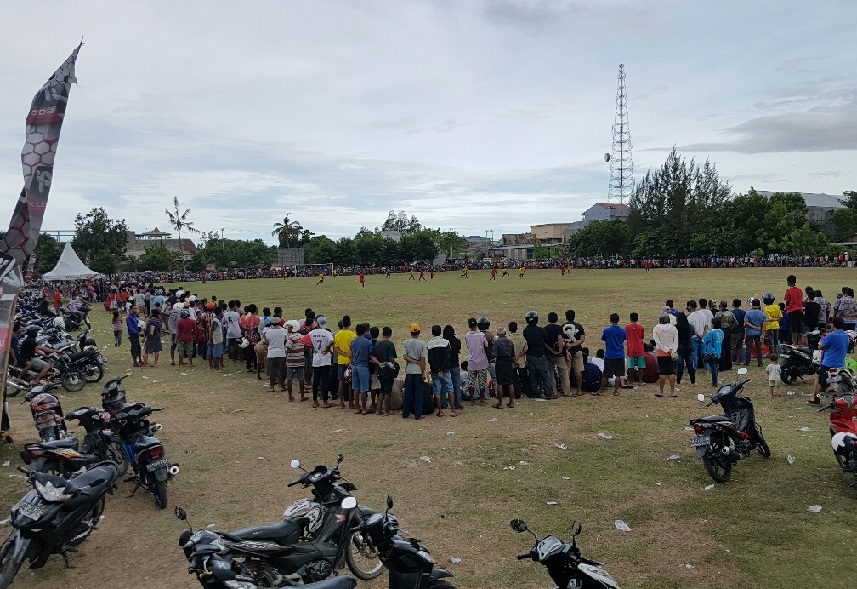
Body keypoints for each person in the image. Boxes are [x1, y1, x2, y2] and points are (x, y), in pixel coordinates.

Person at [809, 317, 850, 404]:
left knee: (822, 383)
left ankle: (816, 399)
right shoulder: (846, 335)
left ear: (833, 325)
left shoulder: (831, 335)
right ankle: (819, 396)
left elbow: (820, 347)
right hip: (841, 363)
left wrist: (822, 345)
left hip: (828, 362)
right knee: (820, 376)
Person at [522, 311, 553, 399]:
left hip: (530, 356)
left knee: (532, 376)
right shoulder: (540, 330)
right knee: (545, 376)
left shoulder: (526, 331)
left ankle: (535, 393)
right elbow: (546, 339)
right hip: (540, 355)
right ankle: (547, 393)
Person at [426, 325, 455, 416]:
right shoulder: (446, 342)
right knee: (450, 388)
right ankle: (452, 410)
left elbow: (430, 359)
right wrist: (442, 370)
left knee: (437, 390)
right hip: (445, 369)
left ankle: (440, 411)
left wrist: (437, 370)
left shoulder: (429, 344)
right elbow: (447, 357)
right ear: (440, 332)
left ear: (432, 333)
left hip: (435, 370)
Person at [402, 323, 428, 420]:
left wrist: (413, 361)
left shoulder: (406, 343)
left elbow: (405, 357)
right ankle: (418, 414)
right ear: (419, 332)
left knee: (408, 393)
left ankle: (405, 413)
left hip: (409, 371)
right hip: (417, 371)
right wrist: (423, 372)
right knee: (418, 394)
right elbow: (422, 360)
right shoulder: (422, 343)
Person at [309, 316, 335, 408]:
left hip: (316, 357)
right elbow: (332, 340)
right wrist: (327, 348)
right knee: (324, 380)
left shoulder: (312, 333)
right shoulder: (327, 332)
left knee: (316, 379)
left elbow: (306, 341)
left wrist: (313, 348)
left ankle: (315, 400)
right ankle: (324, 400)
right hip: (325, 357)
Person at [372, 327, 397, 416]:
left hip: (379, 370)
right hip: (387, 370)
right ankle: (387, 410)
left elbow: (373, 357)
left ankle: (379, 410)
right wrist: (394, 363)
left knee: (381, 391)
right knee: (387, 391)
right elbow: (391, 358)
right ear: (390, 334)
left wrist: (379, 363)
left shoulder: (377, 344)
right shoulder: (390, 344)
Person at [544, 312, 570, 396]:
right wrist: (560, 350)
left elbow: (543, 342)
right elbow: (561, 338)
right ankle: (566, 391)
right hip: (559, 355)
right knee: (563, 372)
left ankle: (554, 392)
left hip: (548, 353)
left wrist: (550, 350)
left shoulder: (545, 329)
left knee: (550, 373)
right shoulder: (560, 328)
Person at [464, 317, 490, 404]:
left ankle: (472, 400)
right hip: (482, 361)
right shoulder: (481, 335)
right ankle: (482, 400)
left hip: (472, 361)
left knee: (471, 381)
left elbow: (468, 346)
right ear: (476, 325)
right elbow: (486, 345)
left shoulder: (467, 336)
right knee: (482, 381)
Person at [652, 313, 678, 397]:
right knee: (671, 372)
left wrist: (665, 349)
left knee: (662, 372)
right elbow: (676, 341)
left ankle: (661, 391)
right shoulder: (673, 328)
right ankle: (672, 391)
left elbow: (657, 342)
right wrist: (672, 350)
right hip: (671, 352)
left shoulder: (656, 328)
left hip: (661, 352)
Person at [600, 313, 626, 396]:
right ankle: (615, 391)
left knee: (606, 374)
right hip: (620, 354)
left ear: (610, 320)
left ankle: (601, 390)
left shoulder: (607, 330)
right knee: (618, 374)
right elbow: (624, 338)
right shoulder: (622, 331)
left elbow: (603, 338)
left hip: (610, 355)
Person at [334, 315, 356, 409]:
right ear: (350, 324)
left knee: (341, 382)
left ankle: (341, 402)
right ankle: (351, 402)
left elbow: (336, 348)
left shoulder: (338, 334)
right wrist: (348, 355)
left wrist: (343, 354)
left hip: (341, 360)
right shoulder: (352, 334)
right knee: (351, 383)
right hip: (350, 361)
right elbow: (354, 349)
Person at [350, 323, 372, 414]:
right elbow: (370, 354)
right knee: (363, 388)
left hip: (355, 365)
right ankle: (364, 408)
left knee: (356, 387)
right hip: (363, 366)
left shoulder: (353, 342)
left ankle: (357, 407)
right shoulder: (368, 342)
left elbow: (351, 354)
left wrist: (351, 363)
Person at [562, 310, 586, 396]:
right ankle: (579, 390)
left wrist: (568, 346)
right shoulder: (579, 326)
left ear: (566, 316)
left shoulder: (562, 327)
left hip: (566, 351)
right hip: (577, 350)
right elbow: (582, 339)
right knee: (578, 370)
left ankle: (566, 390)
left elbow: (561, 339)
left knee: (566, 371)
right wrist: (573, 345)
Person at [492, 327, 515, 408]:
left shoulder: (496, 342)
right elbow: (513, 354)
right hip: (508, 362)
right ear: (505, 333)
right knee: (510, 382)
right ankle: (511, 402)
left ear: (497, 334)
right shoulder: (510, 342)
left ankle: (500, 403)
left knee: (500, 383)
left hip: (500, 362)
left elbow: (494, 354)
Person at [285, 320, 307, 401]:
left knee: (289, 378)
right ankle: (302, 396)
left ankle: (290, 396)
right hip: (300, 360)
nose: (288, 329)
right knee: (301, 378)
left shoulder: (290, 337)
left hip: (291, 360)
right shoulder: (302, 337)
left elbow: (288, 347)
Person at [264, 317, 287, 394]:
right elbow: (285, 341)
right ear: (280, 322)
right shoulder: (284, 331)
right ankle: (282, 385)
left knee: (272, 371)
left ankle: (272, 386)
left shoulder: (268, 331)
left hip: (271, 353)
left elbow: (267, 342)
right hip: (281, 352)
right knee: (282, 371)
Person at [443, 325, 464, 410]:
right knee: (456, 385)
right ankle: (458, 404)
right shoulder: (457, 341)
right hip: (455, 364)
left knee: (444, 385)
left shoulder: (444, 342)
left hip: (446, 366)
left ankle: (444, 403)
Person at [701, 317, 725, 386]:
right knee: (716, 366)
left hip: (711, 351)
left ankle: (714, 382)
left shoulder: (711, 333)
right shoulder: (721, 332)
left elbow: (703, 340)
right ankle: (716, 380)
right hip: (718, 351)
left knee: (713, 367)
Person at [675, 311, 696, 387]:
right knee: (690, 365)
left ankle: (678, 381)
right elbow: (693, 333)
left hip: (680, 348)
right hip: (689, 347)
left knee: (680, 366)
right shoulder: (691, 326)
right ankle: (692, 382)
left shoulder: (676, 327)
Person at [508, 321, 528, 398]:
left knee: (514, 378)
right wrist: (519, 356)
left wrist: (514, 358)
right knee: (524, 377)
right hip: (521, 361)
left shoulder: (508, 339)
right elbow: (526, 349)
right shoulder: (522, 338)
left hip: (513, 361)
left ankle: (517, 393)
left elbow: (508, 351)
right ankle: (527, 392)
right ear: (517, 328)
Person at [744, 299, 766, 368]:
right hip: (758, 333)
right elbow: (764, 323)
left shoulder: (748, 312)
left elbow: (746, 322)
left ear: (752, 304)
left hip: (749, 333)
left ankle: (747, 362)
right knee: (759, 348)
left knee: (748, 348)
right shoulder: (761, 313)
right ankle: (760, 362)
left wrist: (754, 327)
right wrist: (762, 334)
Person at [714, 301, 736, 371]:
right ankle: (729, 365)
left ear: (720, 305)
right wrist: (731, 328)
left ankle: (722, 366)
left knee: (721, 349)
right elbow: (736, 323)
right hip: (728, 330)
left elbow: (715, 322)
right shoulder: (730, 313)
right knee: (727, 348)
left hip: (720, 331)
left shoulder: (718, 314)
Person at [625, 312, 645, 385]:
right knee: (641, 365)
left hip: (631, 348)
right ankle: (640, 380)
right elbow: (642, 336)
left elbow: (626, 336)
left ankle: (631, 380)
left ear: (630, 318)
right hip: (639, 347)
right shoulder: (641, 327)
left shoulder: (627, 327)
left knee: (631, 365)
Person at [784, 275, 804, 345]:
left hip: (792, 310)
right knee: (799, 326)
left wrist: (786, 308)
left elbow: (787, 300)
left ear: (789, 282)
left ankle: (794, 342)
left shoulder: (788, 291)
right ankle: (800, 342)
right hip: (799, 309)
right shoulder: (799, 290)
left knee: (793, 327)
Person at [730, 299, 746, 365]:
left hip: (734, 331)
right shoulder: (743, 312)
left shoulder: (732, 312)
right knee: (739, 346)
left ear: (733, 304)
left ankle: (730, 360)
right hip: (741, 331)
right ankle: (738, 360)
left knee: (732, 346)